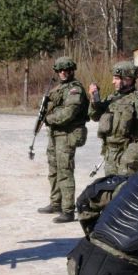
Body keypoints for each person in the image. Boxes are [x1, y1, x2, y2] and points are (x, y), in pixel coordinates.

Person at [88, 62, 138, 177]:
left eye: (116, 78)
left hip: (128, 153)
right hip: (110, 153)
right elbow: (94, 116)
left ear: (127, 79)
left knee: (126, 185)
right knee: (110, 185)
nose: (113, 82)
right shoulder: (111, 99)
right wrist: (94, 100)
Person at [37, 57, 89, 223]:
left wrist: (49, 119)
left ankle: (68, 210)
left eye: (66, 70)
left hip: (67, 135)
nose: (63, 73)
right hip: (55, 135)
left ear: (72, 70)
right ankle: (56, 203)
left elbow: (68, 113)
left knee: (65, 171)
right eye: (60, 70)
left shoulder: (75, 90)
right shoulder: (58, 88)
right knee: (53, 170)